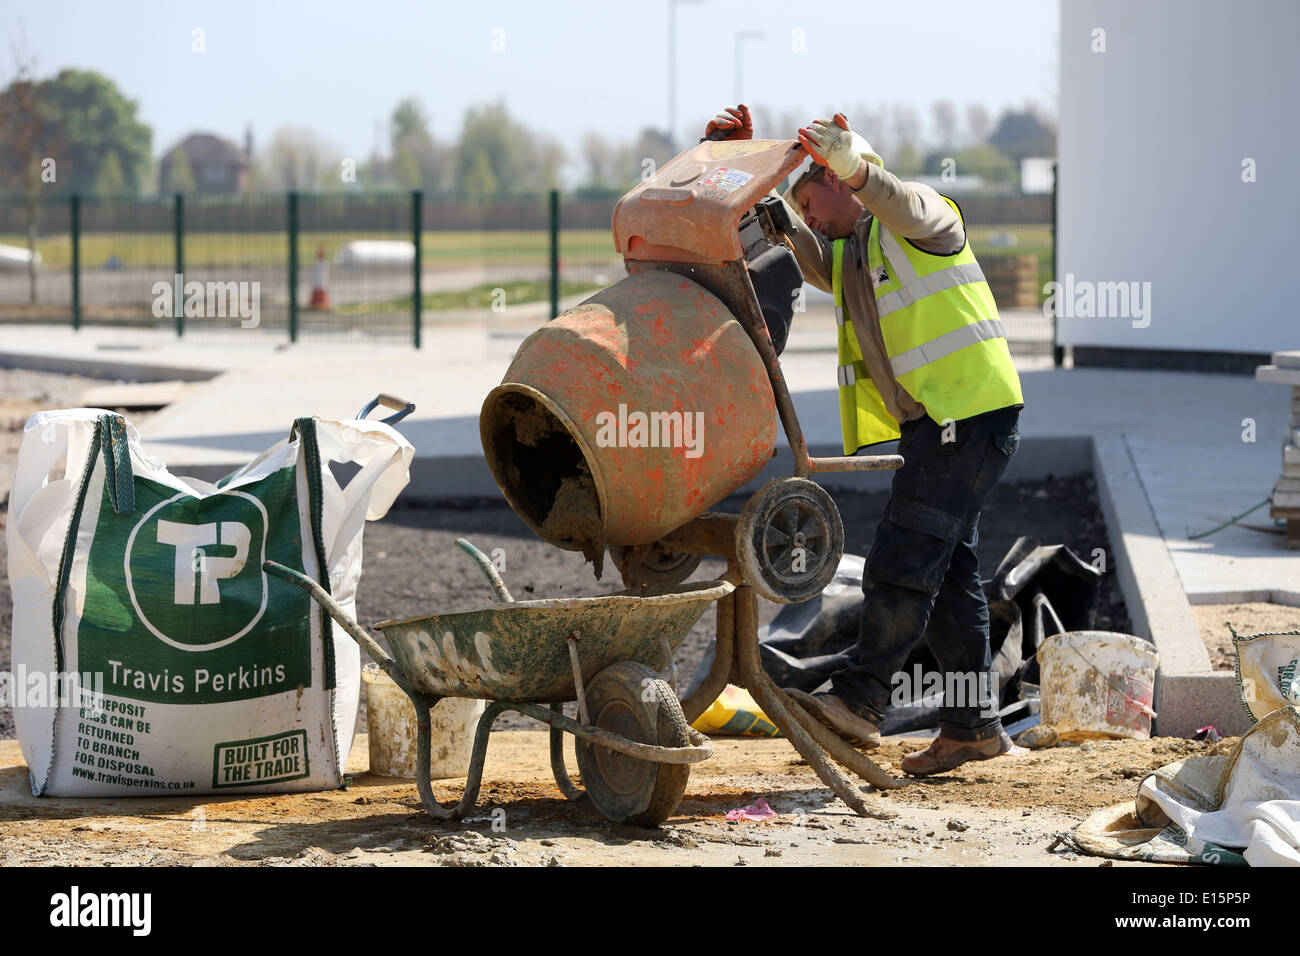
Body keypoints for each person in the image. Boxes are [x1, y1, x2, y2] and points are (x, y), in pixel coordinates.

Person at [704, 105, 1028, 776]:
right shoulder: (858, 254)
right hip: (943, 424)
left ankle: (860, 700)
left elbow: (895, 197)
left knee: (901, 561)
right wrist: (746, 174)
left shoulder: (923, 220)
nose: (810, 216)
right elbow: (807, 246)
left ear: (844, 177)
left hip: (966, 419)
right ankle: (973, 728)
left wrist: (855, 167)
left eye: (812, 196)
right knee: (948, 578)